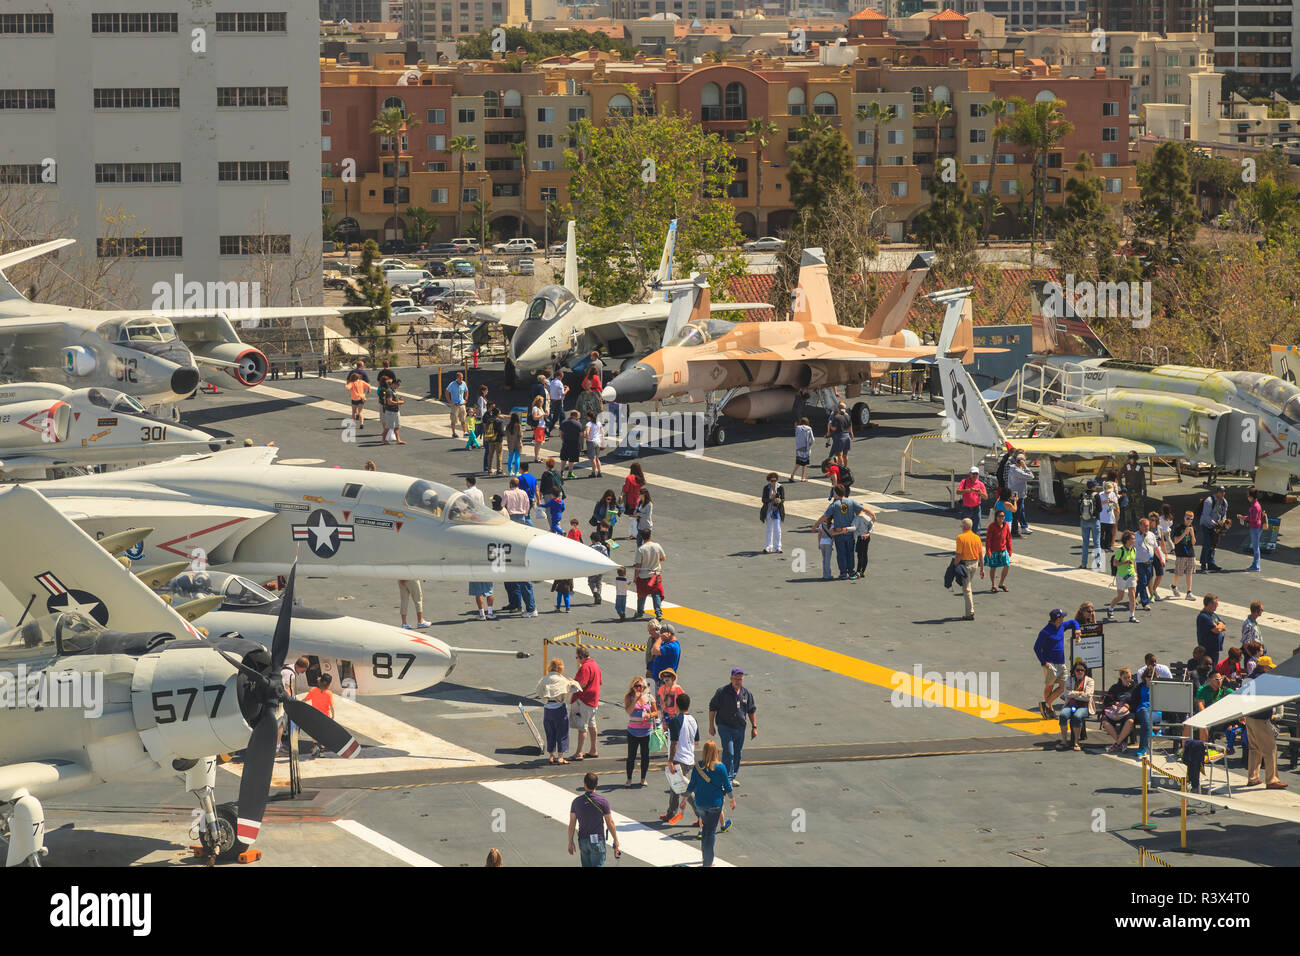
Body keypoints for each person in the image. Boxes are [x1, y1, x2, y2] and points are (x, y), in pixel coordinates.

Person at [686, 740, 735, 867]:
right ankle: (708, 862)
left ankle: (705, 857)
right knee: (710, 832)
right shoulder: (721, 768)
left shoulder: (698, 767)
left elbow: (691, 785)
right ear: (715, 752)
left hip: (701, 804)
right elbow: (727, 786)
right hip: (715, 804)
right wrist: (732, 799)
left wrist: (684, 799)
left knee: (705, 830)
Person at [1244, 656, 1288, 789]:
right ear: (1264, 668)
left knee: (1254, 748)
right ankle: (1272, 779)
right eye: (1269, 668)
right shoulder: (1265, 679)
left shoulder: (1248, 678)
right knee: (1270, 749)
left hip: (1249, 717)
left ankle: (1253, 777)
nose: (1270, 670)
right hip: (1261, 718)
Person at [708, 667, 757, 784]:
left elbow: (751, 710)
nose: (737, 681)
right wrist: (711, 725)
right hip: (725, 726)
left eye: (740, 679)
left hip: (740, 728)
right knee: (729, 752)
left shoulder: (746, 694)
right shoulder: (722, 692)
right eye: (735, 679)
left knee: (737, 754)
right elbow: (712, 708)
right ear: (731, 678)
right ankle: (726, 778)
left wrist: (754, 727)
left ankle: (732, 776)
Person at [661, 690, 700, 827]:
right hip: (690, 758)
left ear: (676, 705)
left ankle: (700, 814)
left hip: (680, 759)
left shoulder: (675, 721)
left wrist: (671, 760)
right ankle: (671, 812)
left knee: (683, 789)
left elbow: (674, 743)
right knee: (675, 787)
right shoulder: (693, 720)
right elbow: (696, 741)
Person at [1034, 608, 1080, 718]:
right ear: (1057, 619)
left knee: (1063, 686)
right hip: (1050, 664)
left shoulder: (1062, 626)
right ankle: (1049, 709)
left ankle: (1046, 704)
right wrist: (1044, 662)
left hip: (1061, 662)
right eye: (1062, 617)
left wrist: (1077, 630)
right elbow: (1036, 648)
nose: (1064, 618)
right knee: (1049, 687)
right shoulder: (1045, 632)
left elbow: (1074, 622)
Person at [535, 659, 582, 764]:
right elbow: (576, 689)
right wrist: (571, 681)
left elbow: (538, 690)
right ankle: (560, 756)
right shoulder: (563, 680)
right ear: (561, 668)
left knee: (550, 732)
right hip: (559, 708)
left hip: (547, 709)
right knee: (562, 732)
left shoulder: (545, 678)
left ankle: (551, 755)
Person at [567, 772, 619, 866]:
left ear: (584, 784)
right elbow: (610, 822)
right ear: (597, 784)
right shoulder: (603, 801)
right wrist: (615, 840)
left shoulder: (576, 802)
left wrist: (570, 842)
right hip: (597, 841)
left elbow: (572, 824)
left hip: (583, 841)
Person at [816, 485, 866, 581]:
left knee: (841, 553)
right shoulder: (851, 502)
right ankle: (851, 571)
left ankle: (843, 572)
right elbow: (861, 509)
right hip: (849, 532)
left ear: (836, 493)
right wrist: (871, 515)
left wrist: (815, 525)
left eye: (833, 492)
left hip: (838, 533)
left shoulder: (834, 505)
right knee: (850, 552)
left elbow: (825, 517)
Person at [569, 646, 601, 760]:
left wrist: (571, 682)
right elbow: (599, 682)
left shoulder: (585, 667)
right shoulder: (595, 665)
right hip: (593, 700)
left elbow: (581, 684)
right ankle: (593, 749)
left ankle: (579, 752)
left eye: (577, 657)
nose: (577, 660)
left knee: (582, 727)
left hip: (584, 700)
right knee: (592, 725)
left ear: (582, 657)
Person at [624, 676, 656, 787]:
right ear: (632, 687)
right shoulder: (629, 697)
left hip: (646, 731)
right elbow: (628, 711)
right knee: (631, 756)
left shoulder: (649, 697)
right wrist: (635, 700)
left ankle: (643, 778)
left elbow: (656, 712)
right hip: (633, 731)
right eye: (636, 686)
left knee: (645, 756)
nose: (639, 688)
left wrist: (649, 715)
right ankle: (629, 778)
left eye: (641, 686)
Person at [1103, 530, 1140, 624]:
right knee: (1120, 597)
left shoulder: (1134, 550)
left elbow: (1134, 561)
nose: (1134, 540)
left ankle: (1132, 615)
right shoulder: (1121, 551)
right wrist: (1125, 562)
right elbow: (1115, 563)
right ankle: (1110, 608)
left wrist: (1136, 573)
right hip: (1121, 576)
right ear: (1127, 540)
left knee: (1132, 596)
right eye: (1132, 539)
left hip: (1131, 575)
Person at [1057, 661, 1095, 751]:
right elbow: (1066, 693)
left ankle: (1076, 742)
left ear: (1085, 671)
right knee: (1062, 716)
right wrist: (1080, 693)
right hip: (1071, 705)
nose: (1080, 672)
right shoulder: (1069, 680)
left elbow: (1087, 697)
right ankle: (1064, 741)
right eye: (1078, 670)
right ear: (1074, 671)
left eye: (1082, 670)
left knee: (1077, 716)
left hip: (1084, 706)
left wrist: (1073, 693)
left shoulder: (1090, 681)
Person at [952, 517, 984, 621]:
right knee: (968, 584)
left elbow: (959, 555)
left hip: (965, 564)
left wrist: (954, 566)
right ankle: (969, 612)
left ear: (964, 527)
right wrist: (982, 568)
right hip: (975, 563)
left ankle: (970, 613)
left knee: (967, 589)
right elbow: (980, 554)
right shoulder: (976, 537)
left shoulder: (960, 538)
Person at [1100, 667, 1137, 752]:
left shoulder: (1134, 688)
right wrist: (1115, 703)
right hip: (1115, 711)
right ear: (1120, 677)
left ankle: (1117, 744)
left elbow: (1137, 702)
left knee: (1130, 721)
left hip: (1127, 711)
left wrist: (1128, 705)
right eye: (1125, 678)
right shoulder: (1115, 687)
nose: (1128, 679)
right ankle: (1120, 742)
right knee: (1105, 722)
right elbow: (1106, 701)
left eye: (1129, 677)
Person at [633, 529, 666, 620]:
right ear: (650, 536)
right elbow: (663, 558)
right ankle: (658, 613)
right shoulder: (657, 546)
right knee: (656, 594)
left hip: (643, 575)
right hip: (655, 576)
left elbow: (638, 565)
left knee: (641, 595)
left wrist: (635, 577)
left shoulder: (641, 549)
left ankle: (640, 612)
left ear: (642, 537)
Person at [1199, 485, 1230, 572]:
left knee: (1214, 544)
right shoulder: (1209, 501)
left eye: (1224, 492)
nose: (1223, 493)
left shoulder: (1224, 502)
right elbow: (1205, 516)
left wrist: (1223, 522)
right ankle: (1203, 564)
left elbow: (1224, 514)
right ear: (1217, 492)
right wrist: (1214, 523)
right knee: (1207, 543)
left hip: (1216, 526)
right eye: (1221, 492)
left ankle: (1211, 563)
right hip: (1206, 524)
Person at [1237, 486, 1267, 572]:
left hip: (1255, 528)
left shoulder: (1254, 506)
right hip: (1257, 527)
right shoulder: (1257, 505)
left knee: (1255, 547)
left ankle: (1256, 566)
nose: (1247, 498)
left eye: (1248, 496)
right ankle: (1256, 565)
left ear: (1251, 497)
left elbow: (1252, 519)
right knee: (1255, 547)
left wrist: (1243, 517)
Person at [983, 506, 1012, 593]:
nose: (1002, 518)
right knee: (993, 568)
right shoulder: (992, 526)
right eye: (1000, 516)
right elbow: (988, 540)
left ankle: (1001, 583)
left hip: (1003, 550)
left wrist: (1010, 549)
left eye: (1003, 516)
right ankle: (993, 585)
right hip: (994, 551)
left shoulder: (1006, 525)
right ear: (996, 517)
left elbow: (1008, 538)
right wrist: (988, 551)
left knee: (1007, 565)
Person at [305, 674, 335, 756]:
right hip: (325, 717)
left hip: (314, 716)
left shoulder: (313, 690)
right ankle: (321, 753)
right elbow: (331, 706)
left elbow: (305, 699)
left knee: (315, 733)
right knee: (323, 734)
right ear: (328, 684)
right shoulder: (329, 693)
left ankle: (314, 748)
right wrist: (333, 716)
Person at [1171, 509, 1197, 600]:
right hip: (1181, 553)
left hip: (1190, 553)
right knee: (1179, 573)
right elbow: (1176, 541)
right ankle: (1174, 586)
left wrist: (1192, 534)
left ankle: (1189, 592)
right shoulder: (1179, 528)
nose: (1189, 520)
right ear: (1184, 518)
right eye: (1188, 518)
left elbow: (1193, 543)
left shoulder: (1192, 528)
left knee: (1189, 573)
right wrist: (1184, 533)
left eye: (1191, 519)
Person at [1006, 455, 1034, 535]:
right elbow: (1031, 476)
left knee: (1020, 511)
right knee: (1016, 512)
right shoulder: (1017, 470)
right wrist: (1025, 467)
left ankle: (1023, 527)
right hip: (1017, 494)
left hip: (1015, 492)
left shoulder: (1013, 468)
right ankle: (1014, 530)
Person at [1133, 517, 1158, 610]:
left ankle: (1133, 596)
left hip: (1149, 563)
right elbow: (1129, 548)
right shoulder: (1135, 536)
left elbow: (1155, 547)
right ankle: (1145, 603)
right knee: (1143, 581)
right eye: (1145, 526)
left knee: (1146, 582)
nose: (1147, 527)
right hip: (1139, 563)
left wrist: (1162, 559)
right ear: (1140, 526)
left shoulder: (1151, 535)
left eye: (1148, 526)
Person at [1196, 593, 1227, 666]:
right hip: (1207, 651)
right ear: (1210, 604)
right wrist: (1219, 626)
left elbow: (1224, 626)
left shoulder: (1213, 615)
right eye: (1216, 604)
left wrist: (1219, 625)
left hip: (1214, 650)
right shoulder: (1203, 617)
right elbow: (1216, 630)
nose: (1217, 606)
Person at [648, 622, 681, 687]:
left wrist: (660, 638)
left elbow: (654, 651)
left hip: (664, 682)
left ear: (668, 634)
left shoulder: (671, 646)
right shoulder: (668, 643)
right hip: (661, 679)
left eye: (662, 635)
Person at [1120, 451, 1147, 531]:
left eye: (1132, 458)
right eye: (1130, 458)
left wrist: (1144, 490)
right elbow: (1119, 475)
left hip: (1137, 492)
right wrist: (1122, 486)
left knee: (1139, 511)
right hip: (1128, 492)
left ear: (1135, 459)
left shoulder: (1139, 467)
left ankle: (1141, 528)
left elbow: (1143, 479)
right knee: (1127, 511)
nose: (1131, 460)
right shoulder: (1126, 466)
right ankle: (1128, 528)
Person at [1078, 479, 1101, 568]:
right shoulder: (1096, 495)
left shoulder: (1082, 495)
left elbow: (1078, 508)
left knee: (1085, 542)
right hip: (1095, 521)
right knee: (1096, 542)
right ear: (1093, 487)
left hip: (1084, 520)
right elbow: (1100, 509)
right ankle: (1098, 563)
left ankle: (1084, 563)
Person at [852, 499, 877, 578]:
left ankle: (858, 571)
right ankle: (863, 571)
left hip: (861, 537)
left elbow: (853, 528)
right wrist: (868, 533)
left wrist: (844, 529)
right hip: (866, 537)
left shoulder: (857, 518)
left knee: (860, 555)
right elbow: (872, 525)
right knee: (864, 554)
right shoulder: (866, 517)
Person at [957, 466, 988, 532]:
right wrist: (968, 490)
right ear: (969, 474)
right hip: (966, 508)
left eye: (976, 474)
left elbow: (986, 497)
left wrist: (981, 493)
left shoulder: (980, 484)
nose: (975, 475)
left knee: (976, 528)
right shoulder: (964, 481)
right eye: (973, 473)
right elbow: (958, 492)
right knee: (966, 528)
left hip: (976, 508)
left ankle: (975, 541)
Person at [760, 473, 785, 554]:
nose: (774, 482)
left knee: (777, 529)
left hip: (777, 510)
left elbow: (783, 499)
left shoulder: (780, 487)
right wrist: (770, 498)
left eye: (775, 480)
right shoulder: (766, 488)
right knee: (769, 529)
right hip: (768, 510)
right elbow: (763, 500)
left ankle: (778, 547)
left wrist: (777, 502)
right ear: (769, 480)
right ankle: (768, 546)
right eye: (772, 481)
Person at [377, 375, 405, 444]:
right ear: (394, 384)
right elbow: (389, 402)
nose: (398, 386)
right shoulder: (389, 391)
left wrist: (398, 400)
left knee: (397, 426)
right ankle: (383, 440)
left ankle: (398, 440)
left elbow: (393, 400)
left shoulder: (393, 391)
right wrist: (399, 402)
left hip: (396, 411)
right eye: (398, 384)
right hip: (390, 412)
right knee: (388, 427)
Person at [559, 410, 584, 479]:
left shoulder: (564, 422)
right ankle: (570, 473)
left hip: (566, 442)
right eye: (578, 417)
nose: (578, 419)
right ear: (574, 416)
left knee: (564, 458)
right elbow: (581, 434)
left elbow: (561, 433)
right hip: (575, 443)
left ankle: (561, 473)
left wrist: (563, 440)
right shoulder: (578, 424)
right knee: (572, 459)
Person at [587, 528, 610, 605]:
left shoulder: (590, 548)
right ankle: (598, 596)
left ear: (592, 540)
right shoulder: (603, 548)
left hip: (592, 568)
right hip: (600, 568)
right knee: (599, 583)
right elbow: (607, 557)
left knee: (591, 582)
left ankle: (595, 592)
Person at [826, 401, 852, 466]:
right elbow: (850, 425)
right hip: (847, 436)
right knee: (845, 454)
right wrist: (851, 433)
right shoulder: (847, 416)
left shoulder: (836, 416)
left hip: (839, 437)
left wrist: (830, 429)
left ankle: (841, 467)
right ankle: (846, 468)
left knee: (839, 454)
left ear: (838, 408)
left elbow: (833, 428)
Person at [445, 370, 468, 438]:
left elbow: (466, 391)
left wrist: (466, 399)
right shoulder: (452, 384)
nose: (461, 379)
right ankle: (454, 433)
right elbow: (447, 392)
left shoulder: (464, 383)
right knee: (454, 420)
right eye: (460, 378)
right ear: (457, 378)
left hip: (462, 404)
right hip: (455, 405)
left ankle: (465, 432)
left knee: (463, 419)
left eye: (462, 377)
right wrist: (449, 401)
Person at [790, 417, 814, 482]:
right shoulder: (809, 429)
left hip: (799, 448)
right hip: (806, 448)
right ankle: (802, 477)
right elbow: (812, 439)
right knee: (804, 463)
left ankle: (793, 475)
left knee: (798, 462)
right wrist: (810, 446)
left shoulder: (797, 428)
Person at [1098, 480, 1118, 550]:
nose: (1108, 492)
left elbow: (1116, 503)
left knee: (1109, 533)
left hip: (1110, 516)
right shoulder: (1100, 495)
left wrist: (1112, 501)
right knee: (1101, 533)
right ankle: (1101, 546)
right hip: (1102, 517)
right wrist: (1104, 502)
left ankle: (1108, 546)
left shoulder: (1112, 494)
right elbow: (1098, 505)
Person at [585, 411, 604, 478]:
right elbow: (602, 431)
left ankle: (593, 472)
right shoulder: (598, 423)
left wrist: (587, 438)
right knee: (597, 458)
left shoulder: (589, 424)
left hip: (591, 442)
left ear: (589, 417)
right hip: (598, 441)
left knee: (592, 458)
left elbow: (587, 432)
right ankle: (599, 472)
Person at [504, 411, 523, 476]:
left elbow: (506, 433)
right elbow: (520, 434)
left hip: (510, 443)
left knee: (510, 458)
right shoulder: (518, 425)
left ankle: (510, 471)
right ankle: (516, 472)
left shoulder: (508, 426)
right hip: (517, 443)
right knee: (517, 458)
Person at [528, 395, 547, 460]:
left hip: (541, 426)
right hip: (538, 427)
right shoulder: (535, 408)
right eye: (542, 401)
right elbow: (535, 417)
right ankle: (536, 457)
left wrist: (545, 415)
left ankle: (537, 456)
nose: (543, 403)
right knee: (538, 443)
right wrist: (542, 415)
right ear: (538, 402)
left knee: (539, 443)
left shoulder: (540, 408)